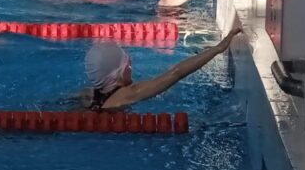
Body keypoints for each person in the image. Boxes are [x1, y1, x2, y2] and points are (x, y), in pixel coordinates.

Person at [84, 27, 242, 111]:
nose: (131, 67)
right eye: (128, 65)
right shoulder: (129, 94)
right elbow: (176, 73)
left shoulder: (90, 94)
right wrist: (217, 49)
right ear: (118, 74)